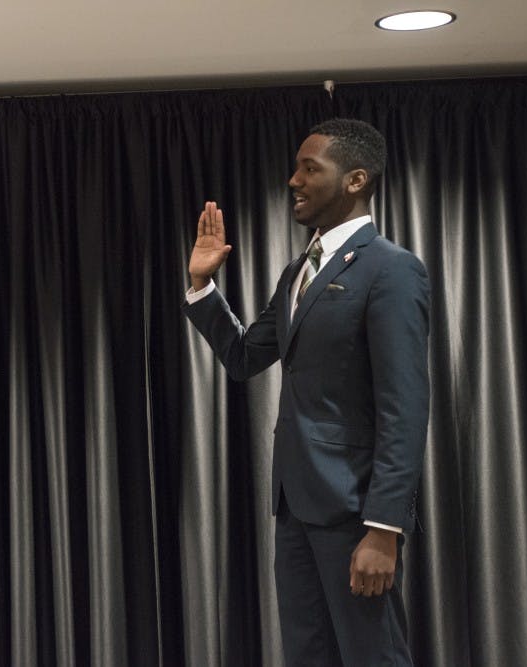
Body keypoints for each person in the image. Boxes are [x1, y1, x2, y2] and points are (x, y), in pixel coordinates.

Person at [183, 119, 429, 665]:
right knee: (307, 654)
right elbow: (246, 357)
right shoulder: (298, 271)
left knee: (373, 656)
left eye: (309, 168)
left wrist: (384, 529)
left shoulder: (391, 270)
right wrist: (202, 288)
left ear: (355, 179)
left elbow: (404, 408)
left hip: (354, 512)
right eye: (296, 167)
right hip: (295, 506)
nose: (294, 179)